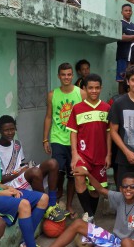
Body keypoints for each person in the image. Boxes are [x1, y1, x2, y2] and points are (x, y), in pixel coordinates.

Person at [0, 126, 49, 247]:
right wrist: (1, 193)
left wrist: (8, 188)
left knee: (43, 198)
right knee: (24, 204)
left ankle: (26, 241)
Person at [50, 172, 134, 247]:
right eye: (125, 186)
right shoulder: (119, 197)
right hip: (114, 241)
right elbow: (100, 189)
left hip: (130, 244)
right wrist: (87, 174)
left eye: (132, 187)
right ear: (120, 189)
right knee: (78, 223)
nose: (128, 189)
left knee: (126, 242)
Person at [0, 115, 66, 222]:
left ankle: (52, 203)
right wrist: (22, 171)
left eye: (12, 129)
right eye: (6, 130)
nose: (10, 132)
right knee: (35, 171)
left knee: (53, 163)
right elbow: (0, 179)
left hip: (21, 176)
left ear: (16, 128)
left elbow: (20, 164)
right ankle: (46, 208)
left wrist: (27, 166)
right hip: (9, 183)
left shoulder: (17, 144)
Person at [66, 74, 111, 223]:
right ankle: (89, 213)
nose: (94, 91)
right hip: (82, 155)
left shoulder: (107, 108)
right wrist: (74, 154)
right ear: (84, 88)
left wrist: (109, 154)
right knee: (78, 177)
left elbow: (109, 134)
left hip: (100, 156)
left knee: (95, 191)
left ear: (101, 88)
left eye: (97, 88)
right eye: (90, 88)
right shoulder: (77, 108)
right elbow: (73, 133)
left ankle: (90, 217)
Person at [43, 62, 86, 219]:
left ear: (72, 76)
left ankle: (68, 205)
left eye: (69, 74)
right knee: (57, 171)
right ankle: (54, 203)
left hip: (75, 141)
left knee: (73, 175)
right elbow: (48, 117)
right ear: (58, 76)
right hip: (58, 139)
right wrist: (45, 139)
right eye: (63, 75)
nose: (66, 77)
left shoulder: (81, 93)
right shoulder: (52, 95)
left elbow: (85, 118)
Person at [116, 4, 134, 95]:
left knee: (132, 79)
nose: (128, 12)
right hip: (122, 56)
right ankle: (121, 99)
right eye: (126, 10)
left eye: (130, 10)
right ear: (122, 12)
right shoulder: (120, 24)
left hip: (133, 58)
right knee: (121, 80)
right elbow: (120, 37)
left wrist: (127, 36)